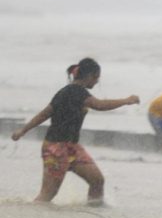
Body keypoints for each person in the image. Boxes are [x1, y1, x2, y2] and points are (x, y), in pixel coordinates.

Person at [9, 58, 140, 205]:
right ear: (90, 75)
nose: (97, 82)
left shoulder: (67, 92)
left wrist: (23, 130)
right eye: (97, 78)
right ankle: (32, 217)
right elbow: (99, 105)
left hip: (72, 148)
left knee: (97, 180)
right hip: (55, 148)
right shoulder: (76, 91)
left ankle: (94, 211)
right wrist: (125, 101)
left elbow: (44, 114)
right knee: (47, 195)